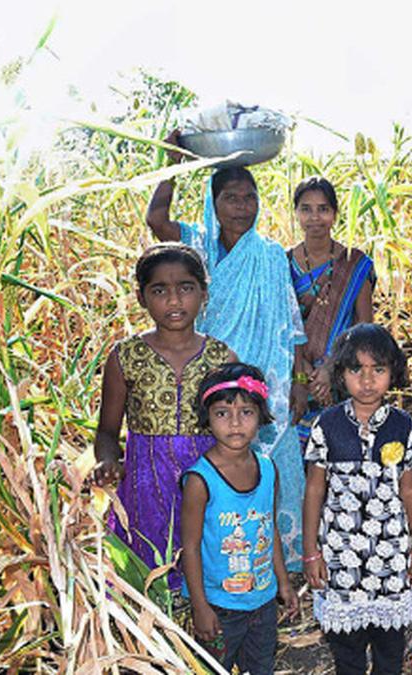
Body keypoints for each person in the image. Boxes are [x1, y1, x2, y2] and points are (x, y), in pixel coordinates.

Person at [147, 132, 308, 568]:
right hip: (209, 380)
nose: (243, 206)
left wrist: (296, 382)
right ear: (213, 203)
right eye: (232, 197)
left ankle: (282, 569)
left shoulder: (271, 256)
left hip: (266, 385)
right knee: (215, 472)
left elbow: (288, 326)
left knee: (274, 472)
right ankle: (222, 567)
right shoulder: (195, 246)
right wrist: (172, 159)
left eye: (250, 197)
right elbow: (156, 218)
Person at [94, 243, 236, 590]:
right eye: (160, 291)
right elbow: (107, 432)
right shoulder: (125, 357)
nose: (174, 301)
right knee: (147, 575)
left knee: (210, 568)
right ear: (141, 297)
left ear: (203, 293)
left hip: (207, 480)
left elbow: (238, 428)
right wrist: (109, 462)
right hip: (144, 487)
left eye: (185, 289)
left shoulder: (221, 357)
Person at [302, 324, 412, 675]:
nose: (368, 380)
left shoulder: (402, 427)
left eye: (379, 370)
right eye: (356, 369)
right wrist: (311, 551)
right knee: (347, 652)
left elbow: (410, 490)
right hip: (341, 558)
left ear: (393, 372)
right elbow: (314, 489)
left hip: (390, 557)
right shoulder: (326, 426)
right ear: (342, 374)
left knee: (390, 648)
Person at [181, 363, 298, 675]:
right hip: (220, 606)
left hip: (263, 600)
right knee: (213, 668)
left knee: (260, 667)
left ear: (261, 416)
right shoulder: (200, 480)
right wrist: (200, 607)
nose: (235, 422)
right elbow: (190, 548)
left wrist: (283, 583)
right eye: (222, 413)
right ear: (208, 419)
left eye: (246, 412)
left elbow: (268, 527)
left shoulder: (268, 468)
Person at [287, 176, 376, 440]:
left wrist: (329, 368)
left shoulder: (354, 264)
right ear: (296, 214)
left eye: (323, 209)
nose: (315, 218)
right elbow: (281, 324)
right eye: (306, 209)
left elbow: (364, 327)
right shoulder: (282, 264)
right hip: (293, 374)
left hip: (342, 371)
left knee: (338, 449)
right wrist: (301, 374)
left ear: (335, 214)